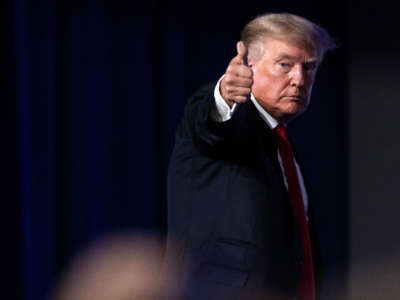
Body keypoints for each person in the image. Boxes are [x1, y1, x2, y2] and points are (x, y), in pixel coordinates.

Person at [166, 12, 337, 300]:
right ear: (249, 66)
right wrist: (225, 95)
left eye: (309, 68)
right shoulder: (230, 125)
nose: (298, 79)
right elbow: (209, 123)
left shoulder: (284, 147)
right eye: (285, 65)